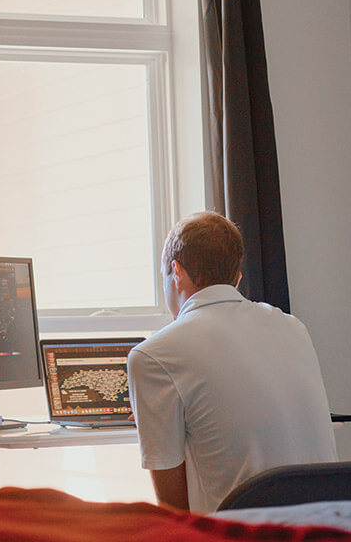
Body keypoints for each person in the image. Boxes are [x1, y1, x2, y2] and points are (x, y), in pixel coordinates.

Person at [126, 211, 337, 514]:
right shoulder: (293, 327)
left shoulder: (154, 355)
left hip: (243, 530)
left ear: (176, 271)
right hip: (326, 523)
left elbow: (173, 511)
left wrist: (156, 423)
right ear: (237, 277)